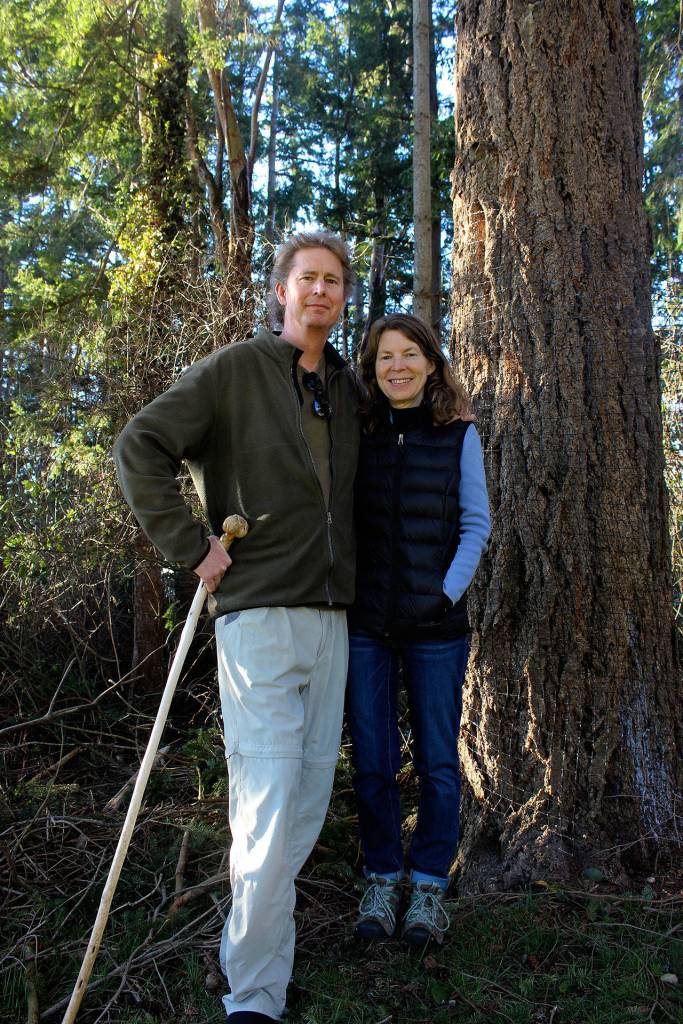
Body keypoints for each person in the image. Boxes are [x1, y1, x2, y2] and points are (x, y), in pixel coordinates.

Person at [113, 231, 360, 1023]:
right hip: (256, 615)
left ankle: (242, 953)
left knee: (308, 800)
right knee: (267, 800)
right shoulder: (234, 370)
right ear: (282, 290)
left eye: (332, 281)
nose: (319, 291)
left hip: (332, 619)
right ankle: (254, 997)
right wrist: (192, 546)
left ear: (342, 297)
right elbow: (140, 445)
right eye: (306, 278)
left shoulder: (348, 388)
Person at [346, 312, 490, 947]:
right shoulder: (358, 434)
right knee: (373, 761)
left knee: (437, 762)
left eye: (409, 355)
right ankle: (382, 876)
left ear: (432, 363)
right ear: (371, 370)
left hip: (437, 629)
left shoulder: (459, 434)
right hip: (366, 627)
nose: (396, 366)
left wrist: (444, 593)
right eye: (384, 357)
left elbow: (476, 524)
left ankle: (429, 884)